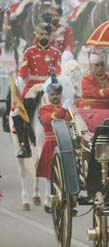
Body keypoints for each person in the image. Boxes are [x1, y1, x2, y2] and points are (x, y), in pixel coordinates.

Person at [13, 23, 61, 158]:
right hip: (32, 85)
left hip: (50, 85)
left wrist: (49, 82)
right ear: (37, 35)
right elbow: (23, 69)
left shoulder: (55, 53)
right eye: (42, 34)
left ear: (50, 36)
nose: (44, 36)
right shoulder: (29, 51)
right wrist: (20, 79)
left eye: (46, 34)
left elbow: (59, 71)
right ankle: (25, 146)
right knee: (17, 112)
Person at [36, 81, 73, 212]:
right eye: (52, 94)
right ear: (48, 96)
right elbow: (48, 120)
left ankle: (68, 200)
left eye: (57, 94)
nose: (55, 97)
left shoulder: (67, 107)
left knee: (67, 172)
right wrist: (63, 110)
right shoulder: (44, 108)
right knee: (49, 174)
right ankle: (48, 199)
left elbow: (70, 121)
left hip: (65, 143)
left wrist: (67, 110)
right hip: (51, 143)